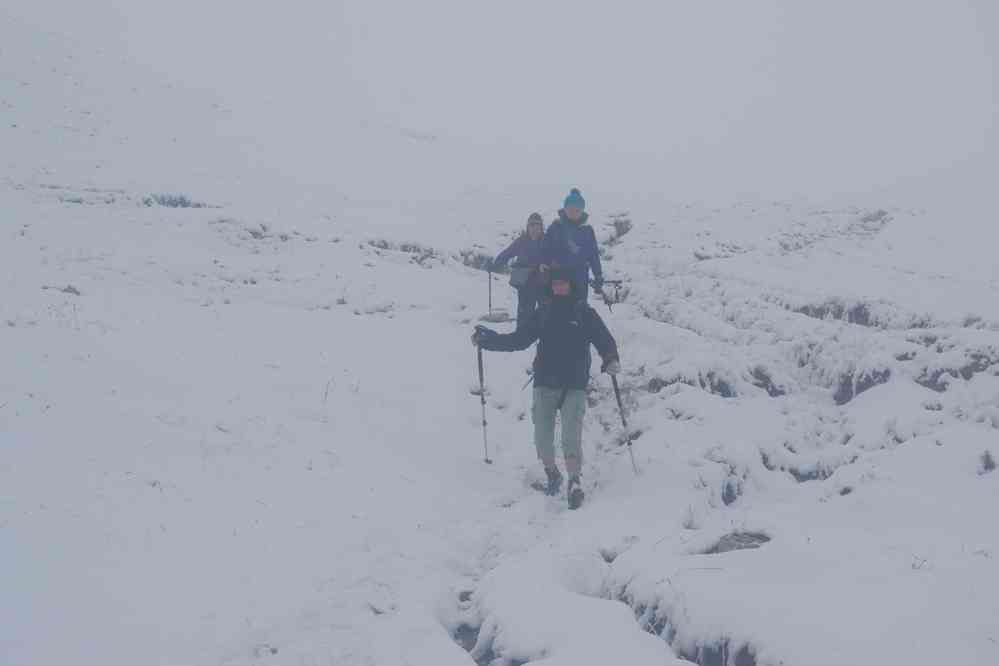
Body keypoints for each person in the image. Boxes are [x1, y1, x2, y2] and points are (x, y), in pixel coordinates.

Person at [471, 267, 620, 510]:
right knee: (542, 438)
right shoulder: (543, 313)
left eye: (564, 283)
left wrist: (611, 358)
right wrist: (490, 340)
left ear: (571, 285)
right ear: (550, 286)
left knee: (571, 436)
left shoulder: (584, 313)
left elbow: (604, 339)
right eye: (556, 284)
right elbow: (519, 340)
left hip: (574, 384)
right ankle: (552, 473)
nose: (560, 287)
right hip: (545, 383)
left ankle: (574, 480)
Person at [541, 188, 604, 300]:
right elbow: (545, 247)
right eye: (570, 209)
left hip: (580, 277)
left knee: (579, 309)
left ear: (582, 211)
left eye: (577, 210)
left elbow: (593, 255)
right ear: (565, 209)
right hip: (558, 276)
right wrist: (545, 263)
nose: (573, 213)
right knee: (558, 308)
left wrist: (598, 275)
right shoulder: (556, 227)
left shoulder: (587, 230)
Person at [491, 213, 545, 327]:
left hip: (543, 285)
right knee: (524, 315)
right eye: (532, 225)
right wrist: (495, 264)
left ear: (541, 227)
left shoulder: (547, 241)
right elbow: (508, 253)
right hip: (526, 285)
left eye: (537, 226)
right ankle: (521, 337)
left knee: (545, 314)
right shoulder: (521, 242)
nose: (535, 229)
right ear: (528, 227)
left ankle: (544, 339)